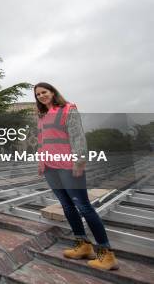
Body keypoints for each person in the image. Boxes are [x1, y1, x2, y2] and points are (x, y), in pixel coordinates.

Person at [34, 82, 118, 271]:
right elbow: (41, 141)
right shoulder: (41, 115)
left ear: (53, 92)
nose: (41, 96)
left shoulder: (68, 109)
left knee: (84, 207)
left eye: (44, 92)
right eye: (38, 94)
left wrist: (79, 161)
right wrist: (41, 162)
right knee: (66, 206)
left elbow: (78, 136)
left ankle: (107, 254)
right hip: (50, 167)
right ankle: (83, 245)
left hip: (68, 166)